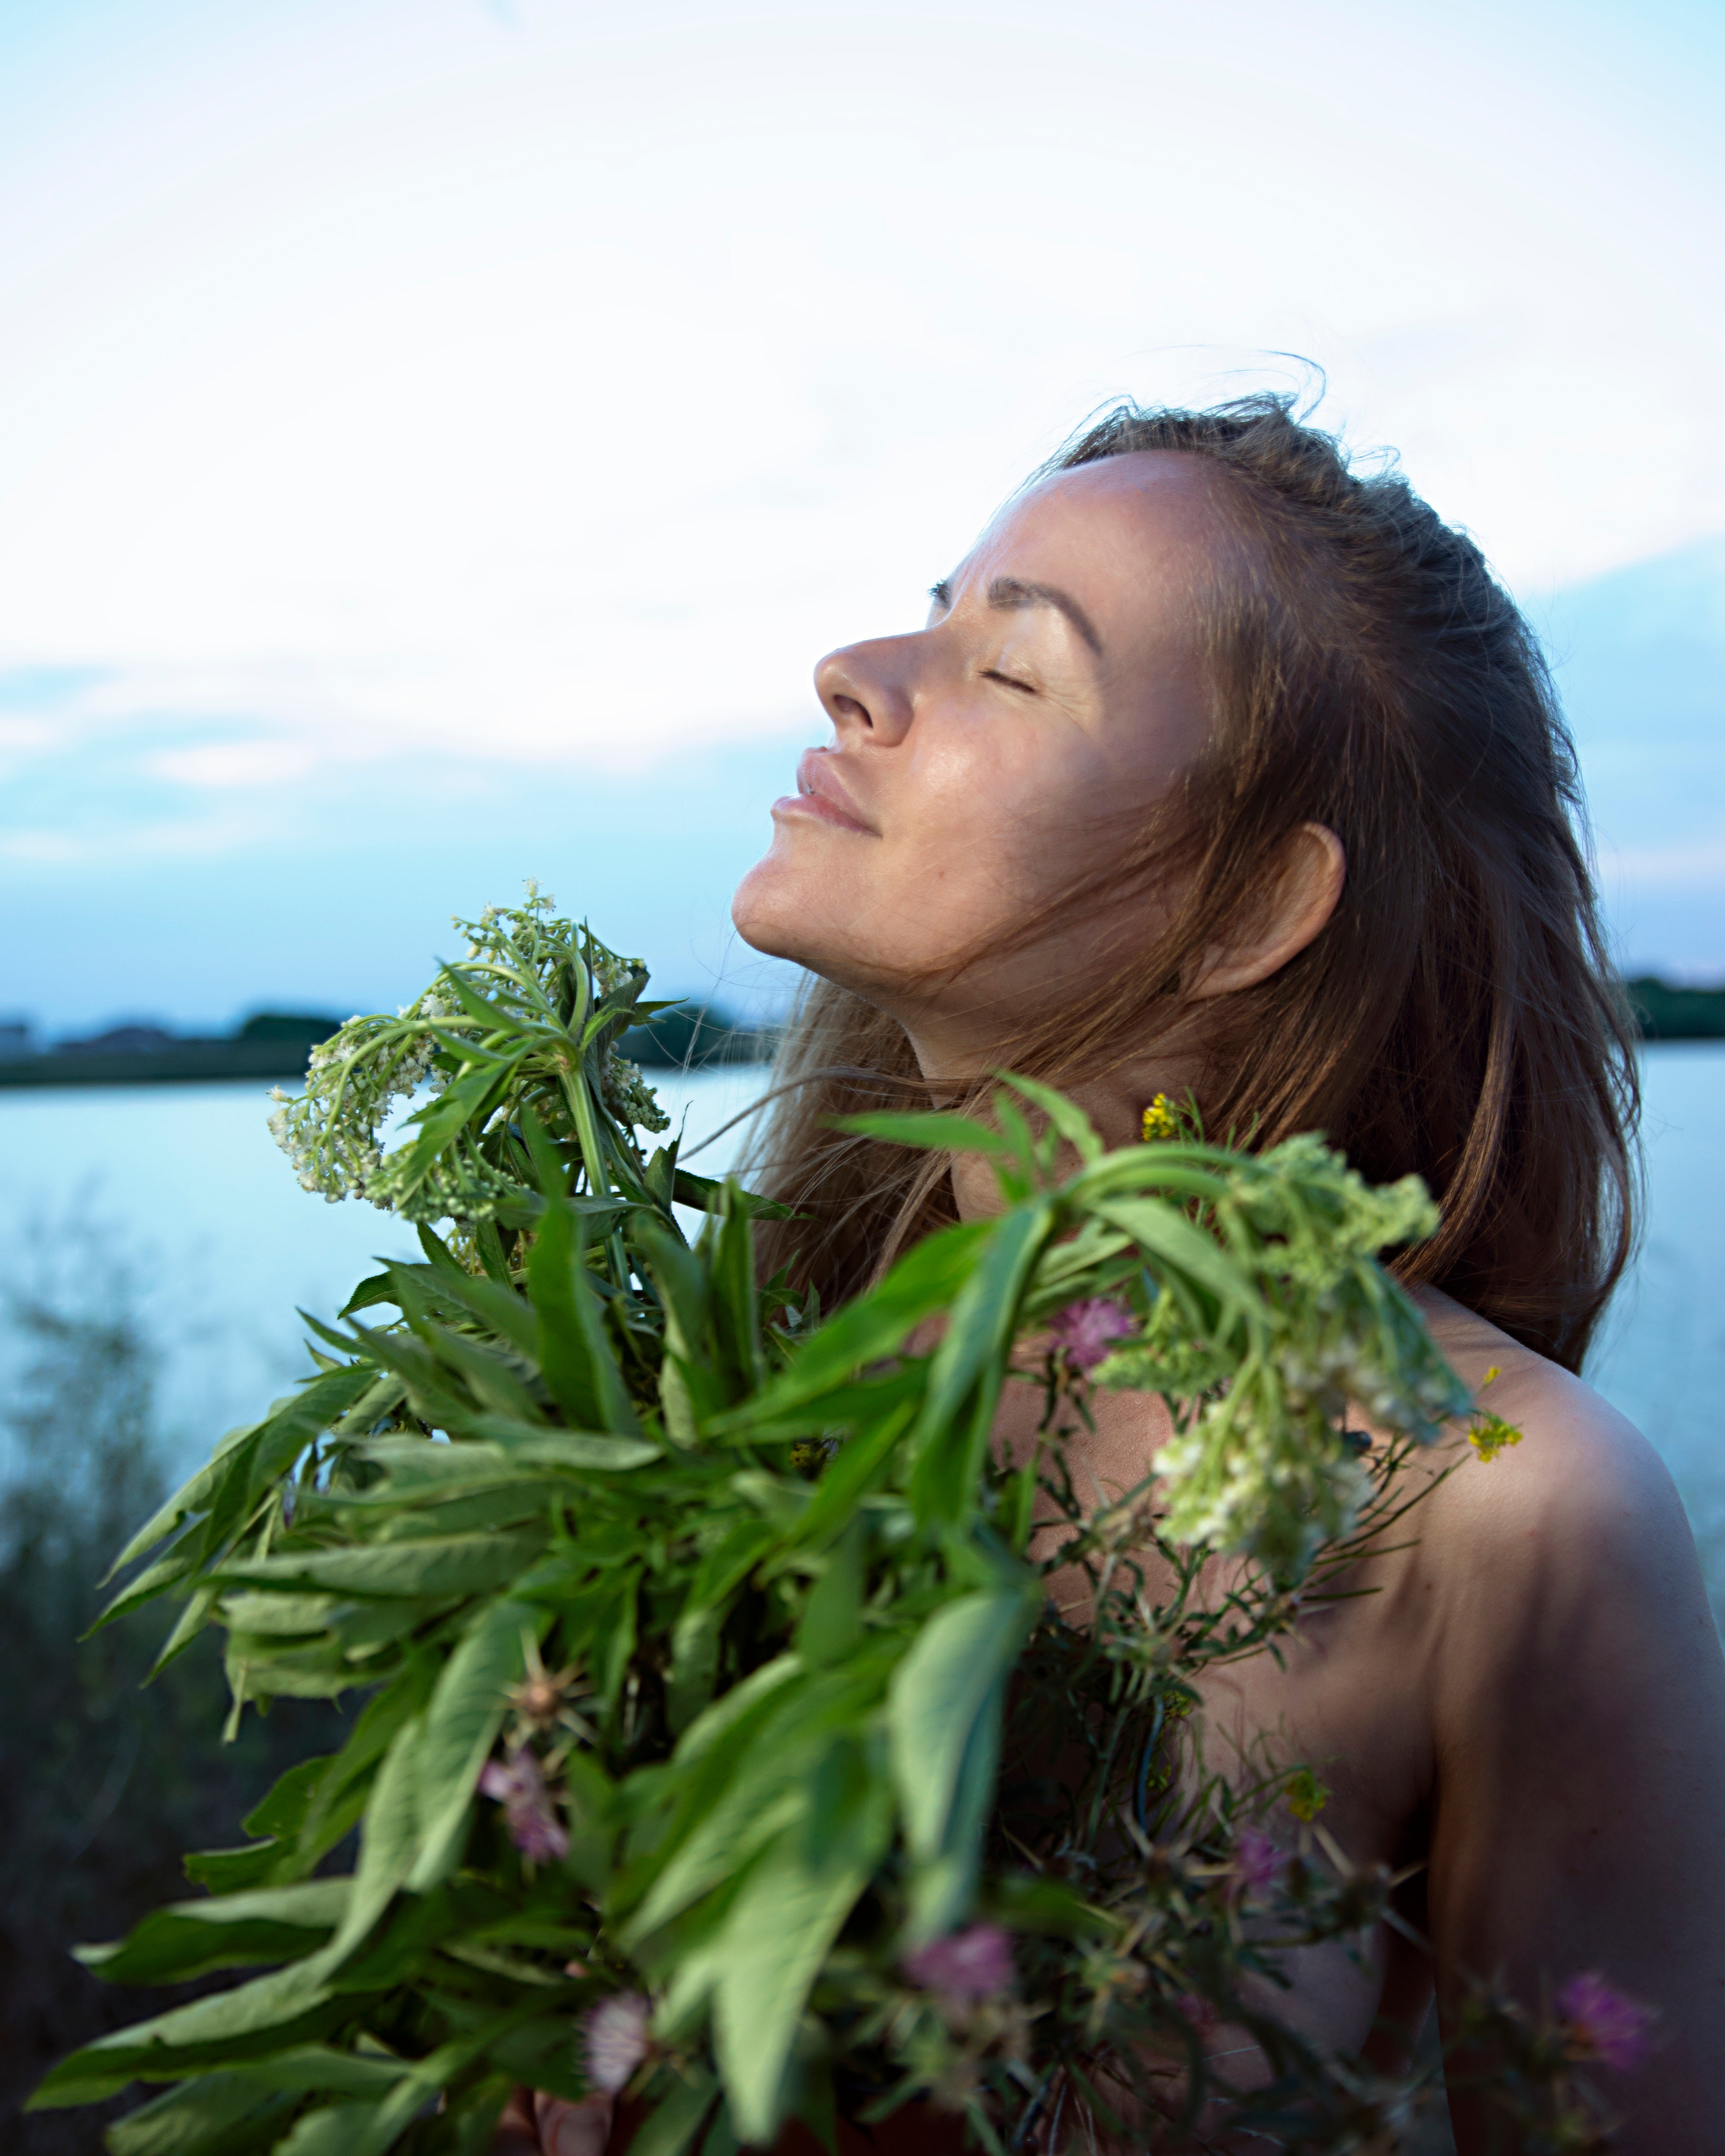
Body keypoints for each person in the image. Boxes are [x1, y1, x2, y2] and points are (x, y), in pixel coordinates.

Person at [503, 398, 1725, 2153]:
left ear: (1247, 908)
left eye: (1013, 671)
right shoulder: (723, 1381)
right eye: (934, 607)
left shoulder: (1495, 1517)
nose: (852, 668)